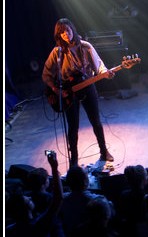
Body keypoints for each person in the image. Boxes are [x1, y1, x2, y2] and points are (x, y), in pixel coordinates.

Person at [42, 18, 115, 167]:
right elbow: (46, 74)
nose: (65, 34)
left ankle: (103, 151)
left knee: (96, 122)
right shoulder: (57, 52)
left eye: (67, 30)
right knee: (73, 126)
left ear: (72, 29)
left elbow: (99, 65)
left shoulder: (85, 47)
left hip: (87, 86)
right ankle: (73, 159)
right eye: (61, 33)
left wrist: (105, 73)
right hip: (68, 92)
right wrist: (55, 89)